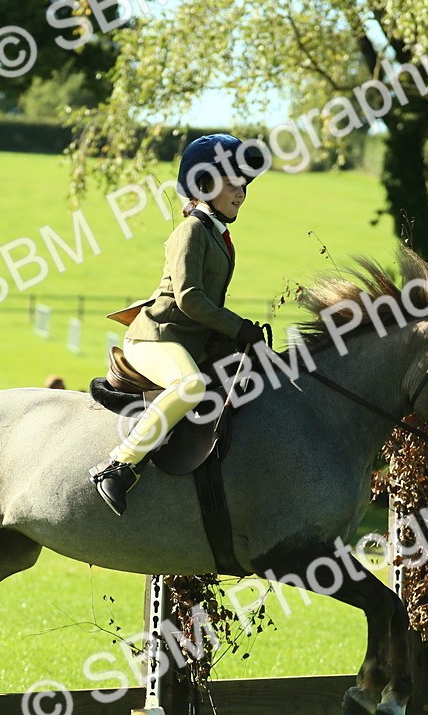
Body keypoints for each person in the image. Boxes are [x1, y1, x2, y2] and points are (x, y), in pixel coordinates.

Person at [90, 133, 269, 516]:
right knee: (190, 386)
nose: (241, 192)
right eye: (232, 182)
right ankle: (118, 465)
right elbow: (189, 298)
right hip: (155, 338)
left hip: (184, 341)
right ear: (204, 184)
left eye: (244, 184)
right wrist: (237, 328)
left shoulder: (215, 234)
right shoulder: (190, 231)